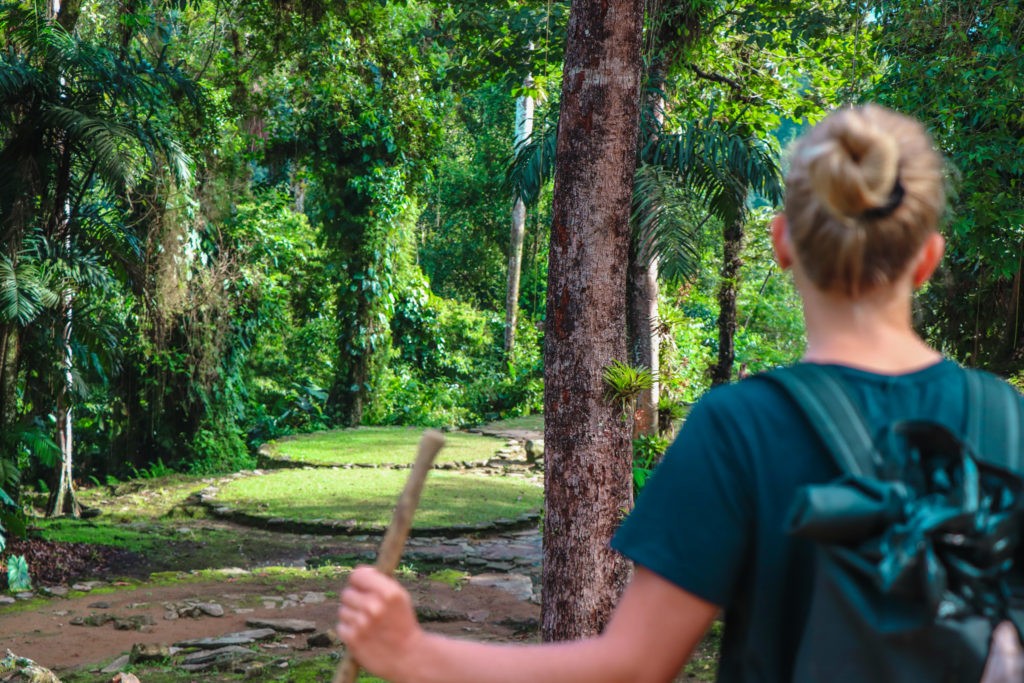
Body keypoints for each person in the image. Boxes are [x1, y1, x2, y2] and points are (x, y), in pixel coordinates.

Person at [337, 104, 996, 682]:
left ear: (782, 243)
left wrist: (416, 653)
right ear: (929, 257)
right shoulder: (1007, 422)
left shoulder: (743, 427)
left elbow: (631, 665)